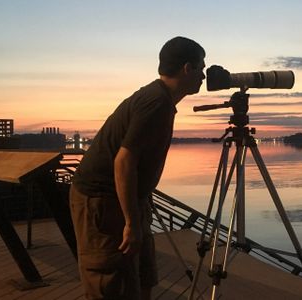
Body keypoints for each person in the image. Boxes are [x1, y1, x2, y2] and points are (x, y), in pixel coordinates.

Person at [70, 36, 205, 300]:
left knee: (143, 275)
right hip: (101, 201)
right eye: (201, 67)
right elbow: (124, 161)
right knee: (111, 282)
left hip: (124, 199)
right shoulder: (155, 102)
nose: (203, 75)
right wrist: (131, 222)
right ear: (187, 68)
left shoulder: (159, 99)